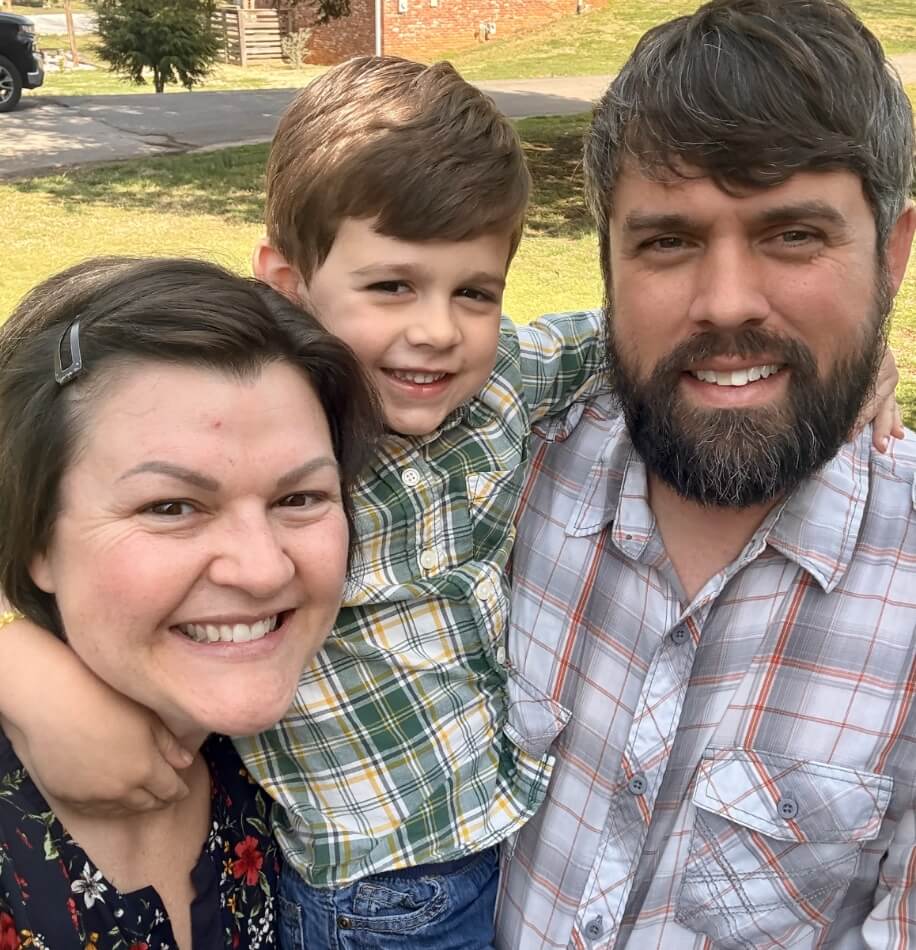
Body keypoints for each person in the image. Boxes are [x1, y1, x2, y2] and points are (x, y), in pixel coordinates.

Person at [0, 52, 904, 950]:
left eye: (473, 293)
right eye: (392, 286)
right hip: (355, 875)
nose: (435, 330)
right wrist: (25, 673)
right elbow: (74, 462)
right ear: (287, 286)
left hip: (468, 847)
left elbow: (644, 336)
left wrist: (839, 357)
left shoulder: (506, 398)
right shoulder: (272, 424)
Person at [494, 0, 916, 947]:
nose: (727, 303)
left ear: (891, 257)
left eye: (793, 235)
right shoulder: (498, 471)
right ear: (605, 260)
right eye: (669, 242)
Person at [0, 257, 379, 948]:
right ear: (37, 542)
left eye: (300, 498)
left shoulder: (309, 761)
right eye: (171, 506)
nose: (263, 570)